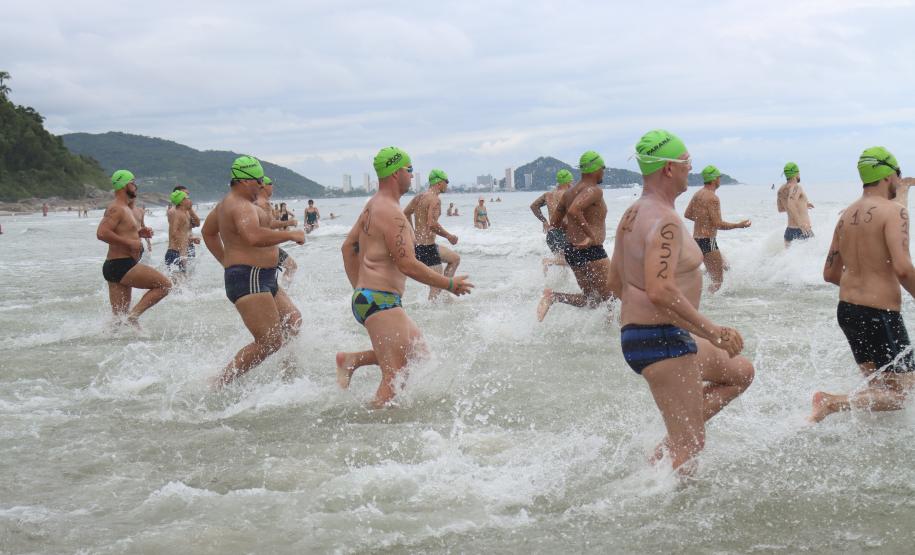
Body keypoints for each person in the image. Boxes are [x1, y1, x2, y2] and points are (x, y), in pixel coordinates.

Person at [612, 130, 754, 474]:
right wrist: (714, 331)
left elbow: (615, 282)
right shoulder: (666, 222)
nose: (691, 168)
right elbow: (660, 290)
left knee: (740, 372)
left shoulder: (632, 214)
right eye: (687, 161)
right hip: (660, 339)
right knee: (691, 448)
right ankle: (658, 503)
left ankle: (671, 441)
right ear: (668, 169)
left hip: (654, 335)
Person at [335, 147, 473, 407]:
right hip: (381, 300)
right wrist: (450, 284)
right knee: (395, 375)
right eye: (410, 170)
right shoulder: (391, 213)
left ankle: (352, 360)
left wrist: (360, 289)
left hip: (373, 298)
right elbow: (407, 264)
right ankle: (368, 430)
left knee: (421, 356)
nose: (412, 176)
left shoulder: (373, 205)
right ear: (396, 172)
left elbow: (347, 247)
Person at [810, 147, 915, 422]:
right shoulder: (894, 212)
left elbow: (830, 273)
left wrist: (861, 284)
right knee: (899, 395)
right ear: (888, 174)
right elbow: (903, 268)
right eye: (898, 175)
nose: (898, 181)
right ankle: (832, 402)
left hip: (848, 311)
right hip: (879, 314)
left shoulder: (845, 216)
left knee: (879, 388)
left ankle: (873, 437)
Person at [201, 156, 306, 387]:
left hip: (263, 277)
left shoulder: (230, 204)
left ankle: (288, 371)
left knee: (293, 320)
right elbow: (254, 236)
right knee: (269, 341)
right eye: (259, 181)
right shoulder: (238, 205)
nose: (261, 186)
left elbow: (207, 232)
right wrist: (291, 234)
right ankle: (218, 384)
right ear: (246, 181)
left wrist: (225, 260)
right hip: (249, 277)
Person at [537, 152, 616, 321]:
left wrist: (575, 231)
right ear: (595, 168)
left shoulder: (568, 194)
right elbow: (574, 210)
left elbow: (555, 222)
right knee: (611, 297)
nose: (603, 172)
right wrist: (589, 235)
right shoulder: (594, 190)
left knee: (591, 300)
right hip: (592, 251)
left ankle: (554, 297)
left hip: (573, 251)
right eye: (603, 168)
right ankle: (615, 334)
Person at [95, 170, 171, 326]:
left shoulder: (126, 208)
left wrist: (139, 233)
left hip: (115, 266)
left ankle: (113, 337)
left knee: (117, 321)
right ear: (124, 184)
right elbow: (102, 233)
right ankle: (133, 317)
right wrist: (129, 243)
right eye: (133, 182)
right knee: (165, 285)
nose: (136, 186)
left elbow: (121, 231)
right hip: (122, 264)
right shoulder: (117, 208)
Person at [683, 165, 751, 292]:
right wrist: (738, 225)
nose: (720, 180)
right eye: (719, 177)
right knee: (718, 281)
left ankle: (702, 284)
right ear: (714, 179)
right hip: (708, 242)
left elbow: (687, 214)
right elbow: (718, 224)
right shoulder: (713, 198)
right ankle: (707, 305)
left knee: (726, 266)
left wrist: (703, 221)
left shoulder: (698, 194)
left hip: (696, 240)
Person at [403, 169, 461, 300]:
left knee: (455, 259)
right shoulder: (435, 200)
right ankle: (433, 314)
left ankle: (446, 297)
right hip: (426, 248)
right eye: (446, 181)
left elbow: (405, 213)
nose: (447, 184)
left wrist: (413, 235)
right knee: (435, 288)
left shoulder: (419, 197)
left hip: (421, 246)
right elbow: (432, 224)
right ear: (439, 183)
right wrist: (449, 236)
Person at [256, 176, 299, 283]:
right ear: (264, 186)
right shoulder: (264, 203)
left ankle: (277, 291)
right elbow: (270, 224)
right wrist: (290, 223)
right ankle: (283, 290)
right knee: (291, 266)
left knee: (266, 274)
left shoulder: (256, 201)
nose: (273, 186)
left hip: (260, 245)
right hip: (266, 246)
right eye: (270, 183)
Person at [530, 168, 574, 272]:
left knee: (561, 260)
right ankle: (548, 261)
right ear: (568, 181)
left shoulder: (548, 194)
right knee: (570, 261)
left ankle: (558, 283)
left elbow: (533, 206)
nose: (573, 183)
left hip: (551, 234)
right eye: (571, 181)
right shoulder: (568, 194)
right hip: (563, 232)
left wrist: (544, 221)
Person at [777, 162, 814, 246]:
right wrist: (800, 223)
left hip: (789, 231)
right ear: (796, 174)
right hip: (802, 230)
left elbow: (781, 209)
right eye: (799, 172)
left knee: (789, 258)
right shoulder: (797, 187)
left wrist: (803, 205)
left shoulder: (780, 190)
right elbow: (790, 203)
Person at [167, 185, 201, 263]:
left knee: (189, 273)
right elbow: (174, 233)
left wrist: (191, 210)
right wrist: (189, 239)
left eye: (188, 195)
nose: (188, 197)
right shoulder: (173, 212)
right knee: (181, 273)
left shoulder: (187, 210)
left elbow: (197, 223)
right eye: (186, 195)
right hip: (178, 248)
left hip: (188, 246)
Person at [164, 189, 193, 279]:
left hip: (178, 253)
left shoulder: (184, 213)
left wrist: (190, 239)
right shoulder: (178, 214)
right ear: (182, 201)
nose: (190, 200)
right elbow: (174, 232)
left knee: (180, 284)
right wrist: (181, 252)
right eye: (188, 198)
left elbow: (180, 233)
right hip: (175, 253)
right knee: (176, 284)